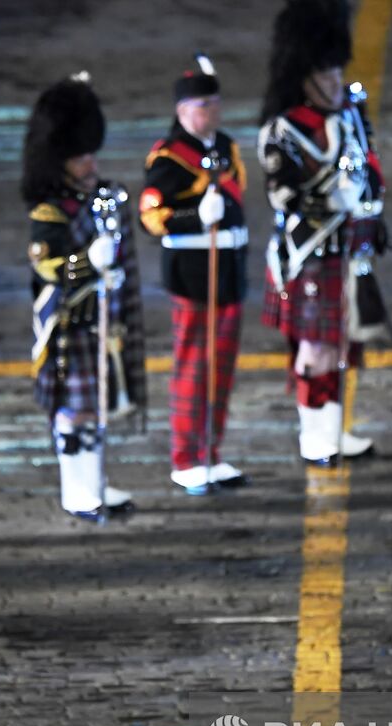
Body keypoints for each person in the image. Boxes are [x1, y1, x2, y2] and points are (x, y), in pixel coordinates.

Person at [259, 0, 385, 466]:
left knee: (344, 345)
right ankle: (314, 435)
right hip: (308, 253)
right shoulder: (284, 129)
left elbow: (369, 164)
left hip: (348, 250)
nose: (335, 84)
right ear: (304, 79)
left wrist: (373, 209)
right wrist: (336, 201)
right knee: (315, 348)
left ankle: (334, 427)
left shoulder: (350, 112)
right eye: (325, 76)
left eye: (336, 74)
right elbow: (283, 195)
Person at [22, 74, 147, 519]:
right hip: (70, 323)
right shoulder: (49, 212)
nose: (89, 161)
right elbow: (49, 268)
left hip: (103, 319)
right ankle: (77, 492)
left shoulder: (102, 196)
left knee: (96, 407)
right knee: (73, 411)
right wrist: (89, 262)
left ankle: (94, 482)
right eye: (79, 155)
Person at [139, 55, 249, 493]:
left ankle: (211, 452)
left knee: (220, 368)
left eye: (215, 103)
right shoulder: (168, 158)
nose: (213, 113)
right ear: (183, 112)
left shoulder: (225, 144)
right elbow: (152, 216)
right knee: (192, 366)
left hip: (229, 269)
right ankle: (186, 457)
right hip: (192, 272)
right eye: (204, 105)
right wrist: (194, 216)